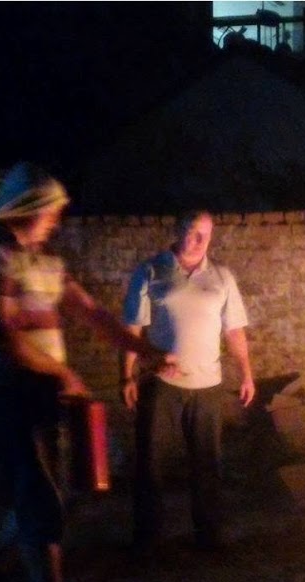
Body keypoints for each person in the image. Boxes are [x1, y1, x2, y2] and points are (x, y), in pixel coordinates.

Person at [0, 162, 168, 582]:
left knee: (55, 491)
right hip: (5, 393)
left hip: (40, 392)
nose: (57, 221)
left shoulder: (42, 262)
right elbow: (1, 337)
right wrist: (63, 372)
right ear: (31, 207)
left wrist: (144, 349)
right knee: (40, 494)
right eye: (53, 212)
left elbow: (91, 312)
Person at [122, 211, 255, 554]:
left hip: (208, 385)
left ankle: (209, 536)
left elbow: (235, 330)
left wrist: (246, 373)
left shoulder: (222, 277)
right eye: (193, 232)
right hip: (162, 384)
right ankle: (148, 539)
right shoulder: (151, 270)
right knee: (151, 464)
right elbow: (133, 328)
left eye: (205, 235)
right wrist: (127, 375)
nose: (199, 241)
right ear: (178, 230)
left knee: (208, 464)